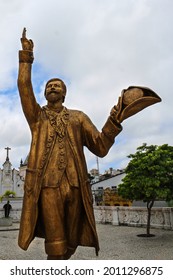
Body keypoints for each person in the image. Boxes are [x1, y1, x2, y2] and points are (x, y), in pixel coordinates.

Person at [17, 28, 161, 260]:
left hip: (76, 186)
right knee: (55, 243)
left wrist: (116, 119)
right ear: (44, 94)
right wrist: (26, 56)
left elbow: (100, 147)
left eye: (58, 85)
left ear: (65, 94)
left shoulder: (79, 117)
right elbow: (24, 88)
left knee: (73, 240)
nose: (53, 87)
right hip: (48, 186)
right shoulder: (37, 118)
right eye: (49, 86)